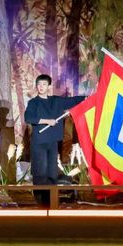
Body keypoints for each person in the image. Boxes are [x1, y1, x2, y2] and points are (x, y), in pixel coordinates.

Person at [24, 75, 84, 208]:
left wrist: (86, 98)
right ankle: (41, 203)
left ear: (48, 86)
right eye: (39, 84)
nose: (41, 87)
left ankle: (51, 203)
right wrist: (47, 121)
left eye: (44, 84)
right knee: (40, 173)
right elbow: (28, 118)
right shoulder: (33, 103)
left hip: (52, 143)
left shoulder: (55, 101)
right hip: (39, 143)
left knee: (52, 173)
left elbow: (72, 101)